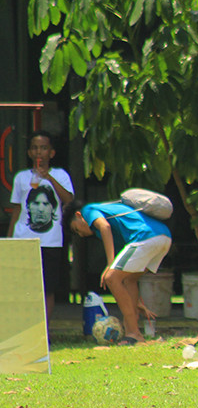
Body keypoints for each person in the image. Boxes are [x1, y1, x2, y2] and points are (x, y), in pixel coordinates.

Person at [65, 198, 172, 344]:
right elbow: (129, 267)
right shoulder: (101, 229)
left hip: (145, 236)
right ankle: (133, 334)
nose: (81, 234)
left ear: (78, 215)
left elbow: (105, 227)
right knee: (129, 279)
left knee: (111, 278)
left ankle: (134, 334)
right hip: (163, 237)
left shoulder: (88, 210)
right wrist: (137, 302)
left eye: (77, 229)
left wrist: (110, 265)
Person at [7, 130, 75, 319]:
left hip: (50, 241)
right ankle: (24, 327)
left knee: (47, 288)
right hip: (24, 239)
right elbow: (16, 210)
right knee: (23, 288)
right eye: (35, 148)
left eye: (43, 148)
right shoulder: (21, 177)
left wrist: (49, 178)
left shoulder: (60, 175)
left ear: (51, 153)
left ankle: (44, 330)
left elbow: (68, 199)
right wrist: (10, 238)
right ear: (29, 153)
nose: (39, 152)